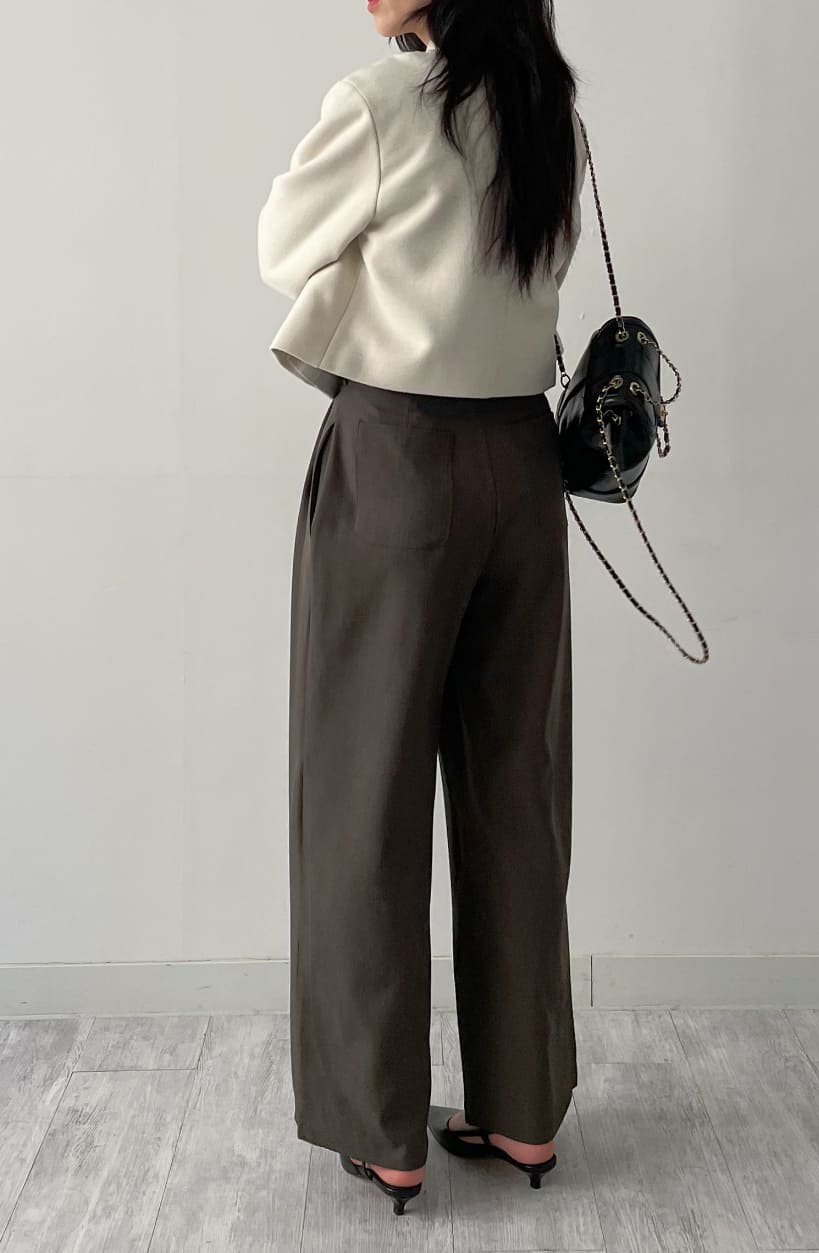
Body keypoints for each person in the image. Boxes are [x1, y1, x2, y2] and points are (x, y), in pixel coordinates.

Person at [257, 0, 587, 1218]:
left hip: (397, 456)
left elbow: (279, 248)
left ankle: (382, 1127)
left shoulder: (379, 104)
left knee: (362, 790)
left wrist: (371, 274)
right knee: (514, 789)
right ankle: (523, 1107)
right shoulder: (549, 110)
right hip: (523, 463)